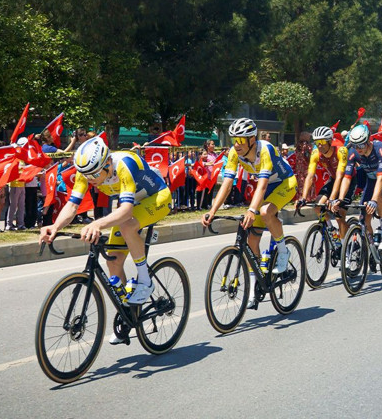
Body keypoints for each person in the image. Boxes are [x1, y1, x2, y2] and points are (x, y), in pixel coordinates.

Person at [40, 136, 172, 344]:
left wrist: (97, 224)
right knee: (113, 260)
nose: (90, 179)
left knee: (127, 225)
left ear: (108, 163)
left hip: (156, 198)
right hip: (132, 201)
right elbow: (73, 205)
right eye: (86, 175)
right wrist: (55, 227)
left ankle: (145, 280)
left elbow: (126, 211)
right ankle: (128, 317)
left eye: (94, 174)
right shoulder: (86, 171)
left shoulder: (124, 165)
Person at [201, 118, 297, 309]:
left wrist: (252, 210)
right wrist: (211, 211)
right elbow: (227, 184)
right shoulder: (235, 154)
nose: (236, 145)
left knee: (264, 211)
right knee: (251, 241)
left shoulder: (265, 150)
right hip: (265, 188)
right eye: (234, 140)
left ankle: (283, 252)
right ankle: (255, 288)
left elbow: (261, 185)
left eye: (241, 140)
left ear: (252, 139)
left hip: (285, 184)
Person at [339, 125, 382, 249]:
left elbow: (381, 178)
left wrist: (374, 200)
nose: (358, 149)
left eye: (361, 145)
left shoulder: (380, 149)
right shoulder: (353, 152)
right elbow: (347, 178)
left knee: (380, 197)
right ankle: (371, 249)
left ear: (368, 141)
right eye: (355, 145)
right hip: (372, 181)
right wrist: (340, 199)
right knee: (364, 220)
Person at [296, 126, 351, 238]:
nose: (319, 145)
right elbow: (310, 176)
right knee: (317, 206)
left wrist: (331, 199)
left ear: (330, 141)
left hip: (347, 179)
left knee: (339, 214)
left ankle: (346, 243)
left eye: (322, 141)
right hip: (333, 179)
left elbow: (340, 176)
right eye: (316, 142)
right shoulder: (316, 153)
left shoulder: (341, 150)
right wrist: (303, 197)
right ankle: (332, 231)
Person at [291, 133, 313, 200]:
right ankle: (302, 197)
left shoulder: (307, 146)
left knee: (307, 181)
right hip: (301, 167)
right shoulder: (301, 145)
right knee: (301, 182)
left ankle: (307, 197)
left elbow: (309, 156)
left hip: (306, 167)